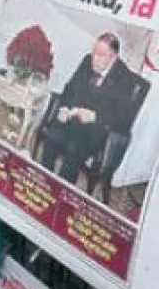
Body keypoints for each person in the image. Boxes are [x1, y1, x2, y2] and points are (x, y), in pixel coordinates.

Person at [40, 34, 145, 184]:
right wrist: (64, 107)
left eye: (100, 55)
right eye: (94, 52)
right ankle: (43, 180)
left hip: (95, 130)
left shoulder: (125, 78)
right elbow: (70, 89)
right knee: (52, 136)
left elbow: (124, 118)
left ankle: (61, 190)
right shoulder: (87, 60)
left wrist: (95, 117)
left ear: (113, 57)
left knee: (73, 152)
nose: (94, 58)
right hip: (72, 118)